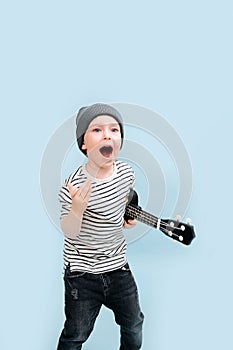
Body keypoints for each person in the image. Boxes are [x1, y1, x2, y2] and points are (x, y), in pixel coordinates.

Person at [57, 103, 144, 350]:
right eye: (97, 129)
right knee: (76, 333)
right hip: (82, 274)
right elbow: (69, 230)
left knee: (134, 323)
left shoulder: (126, 173)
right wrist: (77, 209)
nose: (107, 135)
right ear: (84, 144)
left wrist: (131, 215)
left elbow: (129, 196)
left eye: (114, 130)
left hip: (118, 268)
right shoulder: (73, 187)